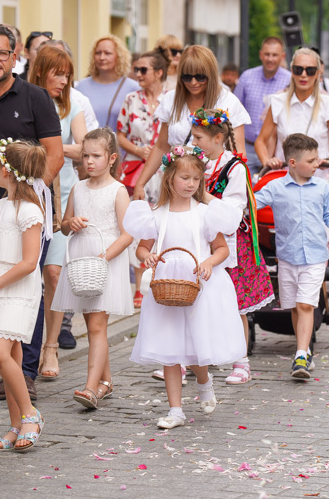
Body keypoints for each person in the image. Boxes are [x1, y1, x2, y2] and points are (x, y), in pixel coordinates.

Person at [0, 24, 64, 402]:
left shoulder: (35, 98)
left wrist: (28, 194)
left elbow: (55, 155)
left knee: (25, 288)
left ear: (15, 56)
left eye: (2, 53)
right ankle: (10, 371)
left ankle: (26, 373)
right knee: (1, 292)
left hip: (30, 212)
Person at [124, 146, 244, 428]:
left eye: (196, 179)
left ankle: (204, 382)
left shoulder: (204, 214)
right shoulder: (156, 215)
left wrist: (208, 262)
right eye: (185, 178)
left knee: (196, 345)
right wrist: (148, 257)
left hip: (197, 286)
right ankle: (176, 410)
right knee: (170, 348)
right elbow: (141, 249)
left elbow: (222, 250)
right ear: (170, 180)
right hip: (167, 288)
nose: (191, 184)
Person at [253, 47, 329, 283]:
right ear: (291, 71)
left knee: (317, 243)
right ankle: (287, 294)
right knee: (287, 239)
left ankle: (316, 300)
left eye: (310, 70)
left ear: (319, 72)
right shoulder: (277, 102)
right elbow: (261, 140)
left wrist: (326, 161)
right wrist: (268, 159)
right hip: (286, 179)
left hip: (317, 180)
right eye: (299, 69)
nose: (304, 75)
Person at [254, 134, 329, 379]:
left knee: (306, 304)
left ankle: (299, 358)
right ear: (293, 163)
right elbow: (252, 203)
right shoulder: (275, 187)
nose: (318, 163)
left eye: (317, 158)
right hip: (287, 255)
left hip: (316, 255)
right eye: (312, 160)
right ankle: (304, 350)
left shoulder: (322, 187)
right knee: (296, 307)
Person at [0, 139, 47, 452]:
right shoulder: (2, 205)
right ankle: (15, 424)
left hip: (17, 290)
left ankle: (31, 415)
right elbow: (6, 249)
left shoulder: (30, 210)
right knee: (12, 358)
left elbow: (30, 262)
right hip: (1, 285)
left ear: (6, 170)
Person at [191, 108, 273, 385]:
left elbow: (234, 211)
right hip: (198, 240)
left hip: (230, 245)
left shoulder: (234, 168)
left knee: (234, 305)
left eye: (198, 137)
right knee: (197, 302)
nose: (194, 142)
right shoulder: (193, 162)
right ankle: (194, 358)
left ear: (218, 138)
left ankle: (242, 361)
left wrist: (202, 195)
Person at [53, 129, 134, 407]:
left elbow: (127, 234)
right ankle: (106, 382)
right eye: (85, 155)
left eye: (96, 156)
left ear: (111, 158)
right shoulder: (78, 188)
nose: (89, 161)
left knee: (98, 325)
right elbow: (63, 226)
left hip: (105, 261)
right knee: (92, 325)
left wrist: (104, 256)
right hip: (81, 262)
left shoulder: (118, 190)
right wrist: (71, 223)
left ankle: (89, 387)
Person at [28, 46, 88, 380]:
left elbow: (82, 148)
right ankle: (23, 346)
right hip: (27, 199)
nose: (63, 81)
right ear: (40, 71)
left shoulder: (71, 105)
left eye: (67, 74)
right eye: (57, 73)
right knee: (25, 275)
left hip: (61, 201)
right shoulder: (24, 100)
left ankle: (50, 347)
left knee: (53, 274)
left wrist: (49, 146)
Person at [133, 45, 250, 204]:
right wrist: (141, 182)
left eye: (200, 77)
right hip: (176, 185)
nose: (193, 82)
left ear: (211, 74)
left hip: (213, 186)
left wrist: (232, 195)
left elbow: (238, 154)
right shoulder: (172, 99)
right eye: (187, 77)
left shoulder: (228, 102)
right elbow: (161, 146)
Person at [117, 50, 168, 308]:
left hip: (167, 171)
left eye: (143, 70)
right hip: (137, 169)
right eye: (136, 69)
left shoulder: (171, 99)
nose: (138, 75)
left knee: (163, 222)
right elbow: (120, 134)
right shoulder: (130, 99)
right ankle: (139, 287)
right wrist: (138, 150)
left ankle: (162, 279)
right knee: (138, 224)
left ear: (159, 72)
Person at [233, 36, 291, 172]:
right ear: (260, 55)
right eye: (267, 54)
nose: (270, 59)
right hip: (246, 147)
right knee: (243, 189)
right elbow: (233, 110)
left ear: (282, 56)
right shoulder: (247, 77)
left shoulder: (289, 80)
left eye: (274, 55)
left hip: (275, 152)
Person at [75, 35, 140, 130]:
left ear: (119, 56)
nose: (102, 57)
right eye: (98, 53)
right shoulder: (81, 86)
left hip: (119, 144)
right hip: (86, 143)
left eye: (107, 53)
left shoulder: (133, 88)